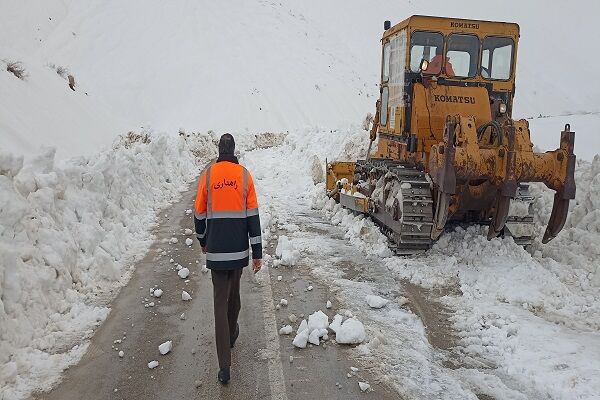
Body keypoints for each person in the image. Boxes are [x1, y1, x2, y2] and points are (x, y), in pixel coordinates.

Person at [193, 133, 262, 384]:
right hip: (238, 252)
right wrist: (257, 253)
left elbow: (199, 213)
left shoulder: (208, 176)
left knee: (220, 305)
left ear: (218, 149)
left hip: (217, 251)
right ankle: (232, 332)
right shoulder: (244, 176)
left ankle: (225, 365)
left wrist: (203, 240)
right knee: (234, 298)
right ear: (234, 150)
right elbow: (253, 217)